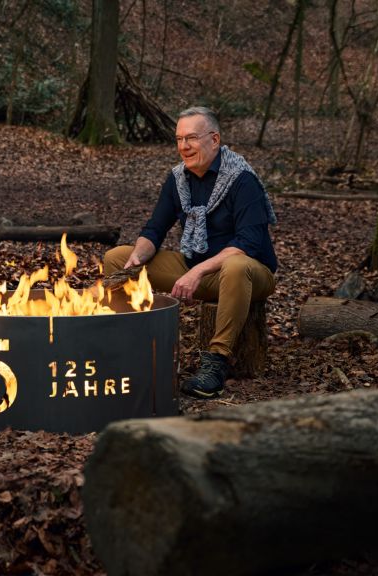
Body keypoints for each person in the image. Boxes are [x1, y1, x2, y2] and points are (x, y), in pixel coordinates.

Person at [103, 106, 277, 399]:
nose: (184, 147)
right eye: (179, 139)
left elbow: (249, 243)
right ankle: (127, 346)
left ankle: (216, 363)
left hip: (248, 274)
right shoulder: (178, 179)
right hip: (194, 266)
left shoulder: (242, 180)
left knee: (235, 266)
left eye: (192, 138)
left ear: (214, 139)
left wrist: (198, 271)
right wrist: (139, 255)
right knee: (117, 257)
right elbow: (155, 228)